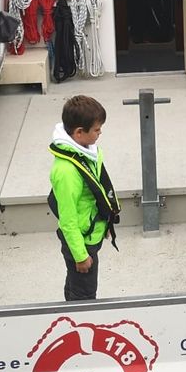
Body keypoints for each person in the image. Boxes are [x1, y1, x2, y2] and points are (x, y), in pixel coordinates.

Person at [47, 95, 121, 300]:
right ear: (79, 132)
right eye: (97, 129)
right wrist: (80, 256)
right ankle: (79, 323)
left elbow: (95, 192)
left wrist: (103, 226)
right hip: (80, 245)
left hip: (91, 235)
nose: (100, 133)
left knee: (74, 284)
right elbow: (68, 220)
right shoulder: (66, 172)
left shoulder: (87, 152)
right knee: (84, 294)